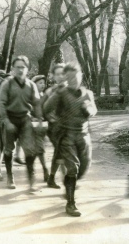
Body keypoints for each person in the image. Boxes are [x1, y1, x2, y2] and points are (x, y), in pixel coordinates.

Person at [43, 62, 97, 217]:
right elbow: (46, 109)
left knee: (84, 167)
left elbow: (94, 109)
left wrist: (90, 110)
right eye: (70, 77)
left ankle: (69, 184)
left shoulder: (87, 93)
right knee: (72, 168)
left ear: (81, 75)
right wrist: (55, 120)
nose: (73, 79)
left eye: (76, 75)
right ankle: (71, 204)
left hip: (84, 135)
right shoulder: (61, 93)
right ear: (66, 78)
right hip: (67, 135)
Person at [0, 55, 43, 191]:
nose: (20, 70)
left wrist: (39, 118)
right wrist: (6, 120)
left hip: (24, 119)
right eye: (17, 67)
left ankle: (31, 179)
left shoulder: (31, 85)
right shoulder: (7, 84)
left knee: (30, 149)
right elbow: (1, 103)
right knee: (8, 149)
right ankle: (10, 177)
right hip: (10, 118)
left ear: (27, 69)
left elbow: (36, 103)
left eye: (22, 67)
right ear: (12, 69)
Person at [42, 63, 66, 189]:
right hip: (54, 128)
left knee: (62, 152)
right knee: (61, 150)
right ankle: (65, 179)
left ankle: (52, 178)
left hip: (69, 127)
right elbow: (43, 108)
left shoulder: (72, 89)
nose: (61, 76)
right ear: (53, 76)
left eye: (63, 73)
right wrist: (51, 118)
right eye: (57, 74)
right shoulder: (50, 91)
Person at [31, 75, 49, 182]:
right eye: (40, 83)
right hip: (32, 126)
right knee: (39, 147)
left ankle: (31, 166)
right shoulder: (30, 97)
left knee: (37, 148)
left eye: (44, 83)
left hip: (43, 127)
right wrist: (32, 118)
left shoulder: (45, 96)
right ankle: (45, 169)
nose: (43, 85)